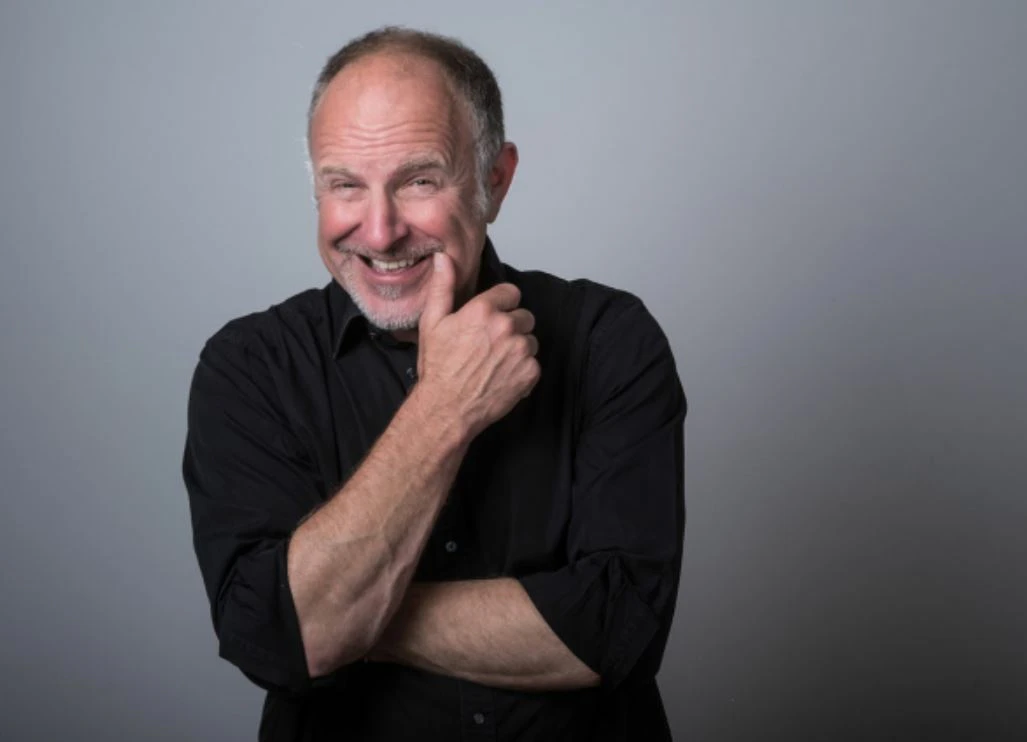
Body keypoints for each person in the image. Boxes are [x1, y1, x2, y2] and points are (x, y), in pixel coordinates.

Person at [182, 26, 686, 742]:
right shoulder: (250, 367)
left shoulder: (608, 339)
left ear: (494, 181)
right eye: (345, 185)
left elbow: (617, 628)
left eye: (418, 180)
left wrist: (344, 619)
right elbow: (269, 639)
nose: (379, 231)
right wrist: (444, 407)